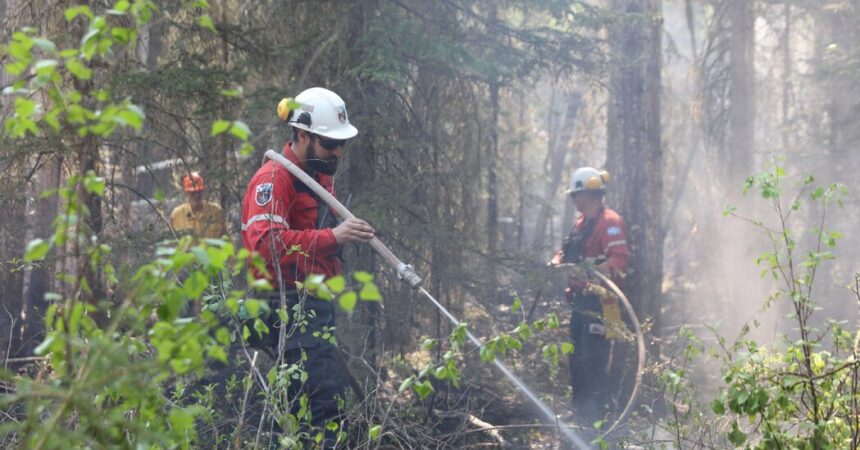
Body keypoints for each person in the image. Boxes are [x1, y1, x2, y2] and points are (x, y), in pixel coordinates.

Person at [240, 87, 375, 447]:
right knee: (322, 414)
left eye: (341, 144)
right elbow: (265, 247)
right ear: (302, 135)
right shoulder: (273, 180)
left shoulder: (316, 177)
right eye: (330, 144)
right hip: (284, 307)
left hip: (313, 308)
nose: (337, 152)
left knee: (328, 407)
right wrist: (334, 237)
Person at [550, 166, 630, 424]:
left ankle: (597, 418)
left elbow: (618, 262)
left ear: (587, 194)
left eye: (576, 195)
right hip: (581, 302)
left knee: (596, 361)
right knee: (577, 359)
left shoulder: (611, 222)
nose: (574, 200)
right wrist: (556, 262)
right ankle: (580, 411)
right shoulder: (581, 224)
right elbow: (566, 253)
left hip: (606, 304)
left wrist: (588, 273)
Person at [170, 171, 228, 239]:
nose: (196, 195)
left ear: (203, 191)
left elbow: (226, 240)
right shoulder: (177, 215)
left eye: (198, 191)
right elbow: (172, 243)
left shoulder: (216, 212)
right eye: (192, 193)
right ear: (186, 193)